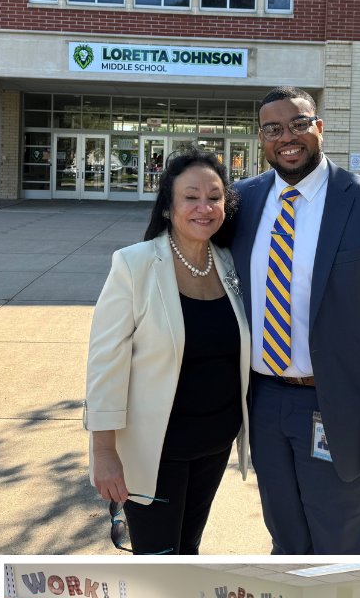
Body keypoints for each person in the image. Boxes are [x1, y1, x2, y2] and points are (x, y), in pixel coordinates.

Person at [229, 86, 360, 554]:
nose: (287, 137)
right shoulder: (242, 201)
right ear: (261, 139)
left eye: (298, 124)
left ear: (319, 127)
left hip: (341, 409)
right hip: (264, 406)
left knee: (345, 547)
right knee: (286, 541)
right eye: (273, 129)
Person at [85, 146, 249, 555]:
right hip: (156, 450)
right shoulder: (134, 265)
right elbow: (106, 364)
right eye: (191, 197)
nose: (204, 207)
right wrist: (104, 453)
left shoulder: (230, 264)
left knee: (188, 552)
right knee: (157, 558)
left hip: (214, 444)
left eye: (214, 197)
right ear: (168, 207)